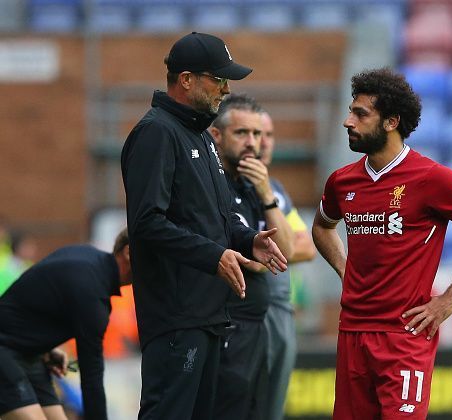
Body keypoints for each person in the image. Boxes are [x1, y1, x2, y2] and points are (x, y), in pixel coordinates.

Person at [312, 68, 452, 420]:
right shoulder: (341, 182)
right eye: (350, 111)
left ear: (391, 121)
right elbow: (323, 227)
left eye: (360, 114)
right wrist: (345, 269)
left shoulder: (433, 179)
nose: (347, 121)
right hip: (352, 331)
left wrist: (450, 298)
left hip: (404, 336)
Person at [120, 33, 287, 420]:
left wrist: (248, 241)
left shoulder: (200, 135)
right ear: (187, 79)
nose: (226, 89)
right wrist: (214, 256)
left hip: (209, 313)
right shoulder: (156, 132)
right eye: (219, 79)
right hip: (177, 316)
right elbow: (146, 222)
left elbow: (219, 216)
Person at [209, 94, 294, 420]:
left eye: (258, 135)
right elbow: (258, 262)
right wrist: (261, 258)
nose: (253, 143)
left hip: (257, 327)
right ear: (218, 135)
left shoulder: (256, 186)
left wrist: (266, 194)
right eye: (242, 133)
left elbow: (285, 249)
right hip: (228, 323)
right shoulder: (213, 185)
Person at [0, 228, 132, 420]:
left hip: (31, 353)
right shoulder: (93, 296)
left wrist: (44, 346)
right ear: (129, 253)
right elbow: (91, 380)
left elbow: (29, 306)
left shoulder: (86, 257)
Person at [259, 111, 316, 420]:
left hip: (280, 313)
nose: (263, 143)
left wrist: (261, 254)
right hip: (241, 315)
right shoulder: (224, 185)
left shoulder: (276, 189)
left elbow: (305, 247)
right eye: (255, 134)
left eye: (269, 135)